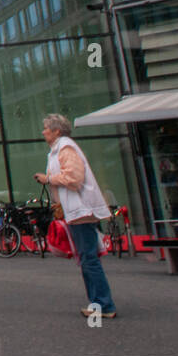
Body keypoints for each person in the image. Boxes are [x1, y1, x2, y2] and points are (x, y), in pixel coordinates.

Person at [33, 114, 116, 319]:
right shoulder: (58, 149)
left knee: (88, 258)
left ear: (56, 131)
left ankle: (103, 304)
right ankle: (98, 302)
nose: (43, 131)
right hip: (75, 211)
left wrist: (48, 179)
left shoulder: (65, 148)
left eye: (46, 128)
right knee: (86, 257)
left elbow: (74, 178)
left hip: (81, 211)